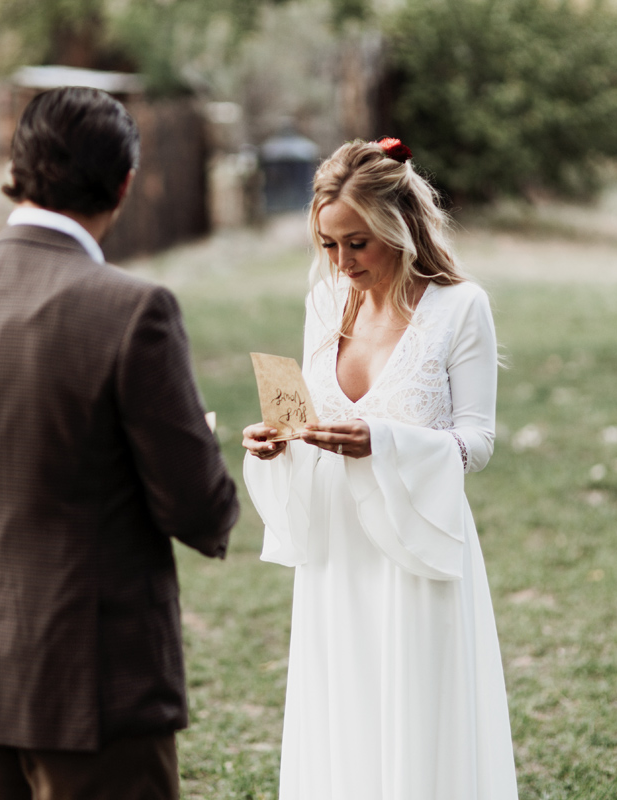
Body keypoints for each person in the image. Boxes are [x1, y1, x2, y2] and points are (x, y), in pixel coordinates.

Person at [0, 86, 239, 800]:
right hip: (98, 682)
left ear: (15, 169)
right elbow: (196, 506)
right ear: (125, 183)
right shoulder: (134, 309)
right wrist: (197, 450)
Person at [241, 138, 518, 799]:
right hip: (335, 552)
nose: (342, 261)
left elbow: (476, 443)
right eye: (329, 244)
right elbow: (308, 414)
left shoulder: (460, 307)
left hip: (414, 542)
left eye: (357, 243)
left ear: (398, 226)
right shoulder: (322, 305)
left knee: (417, 716)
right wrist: (278, 441)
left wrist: (387, 443)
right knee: (344, 715)